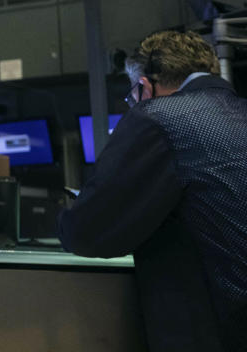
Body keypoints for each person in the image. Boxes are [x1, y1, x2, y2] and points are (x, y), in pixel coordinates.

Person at [58, 30, 247, 351]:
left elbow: (89, 231)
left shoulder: (157, 118)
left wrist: (66, 219)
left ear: (145, 86)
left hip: (215, 332)